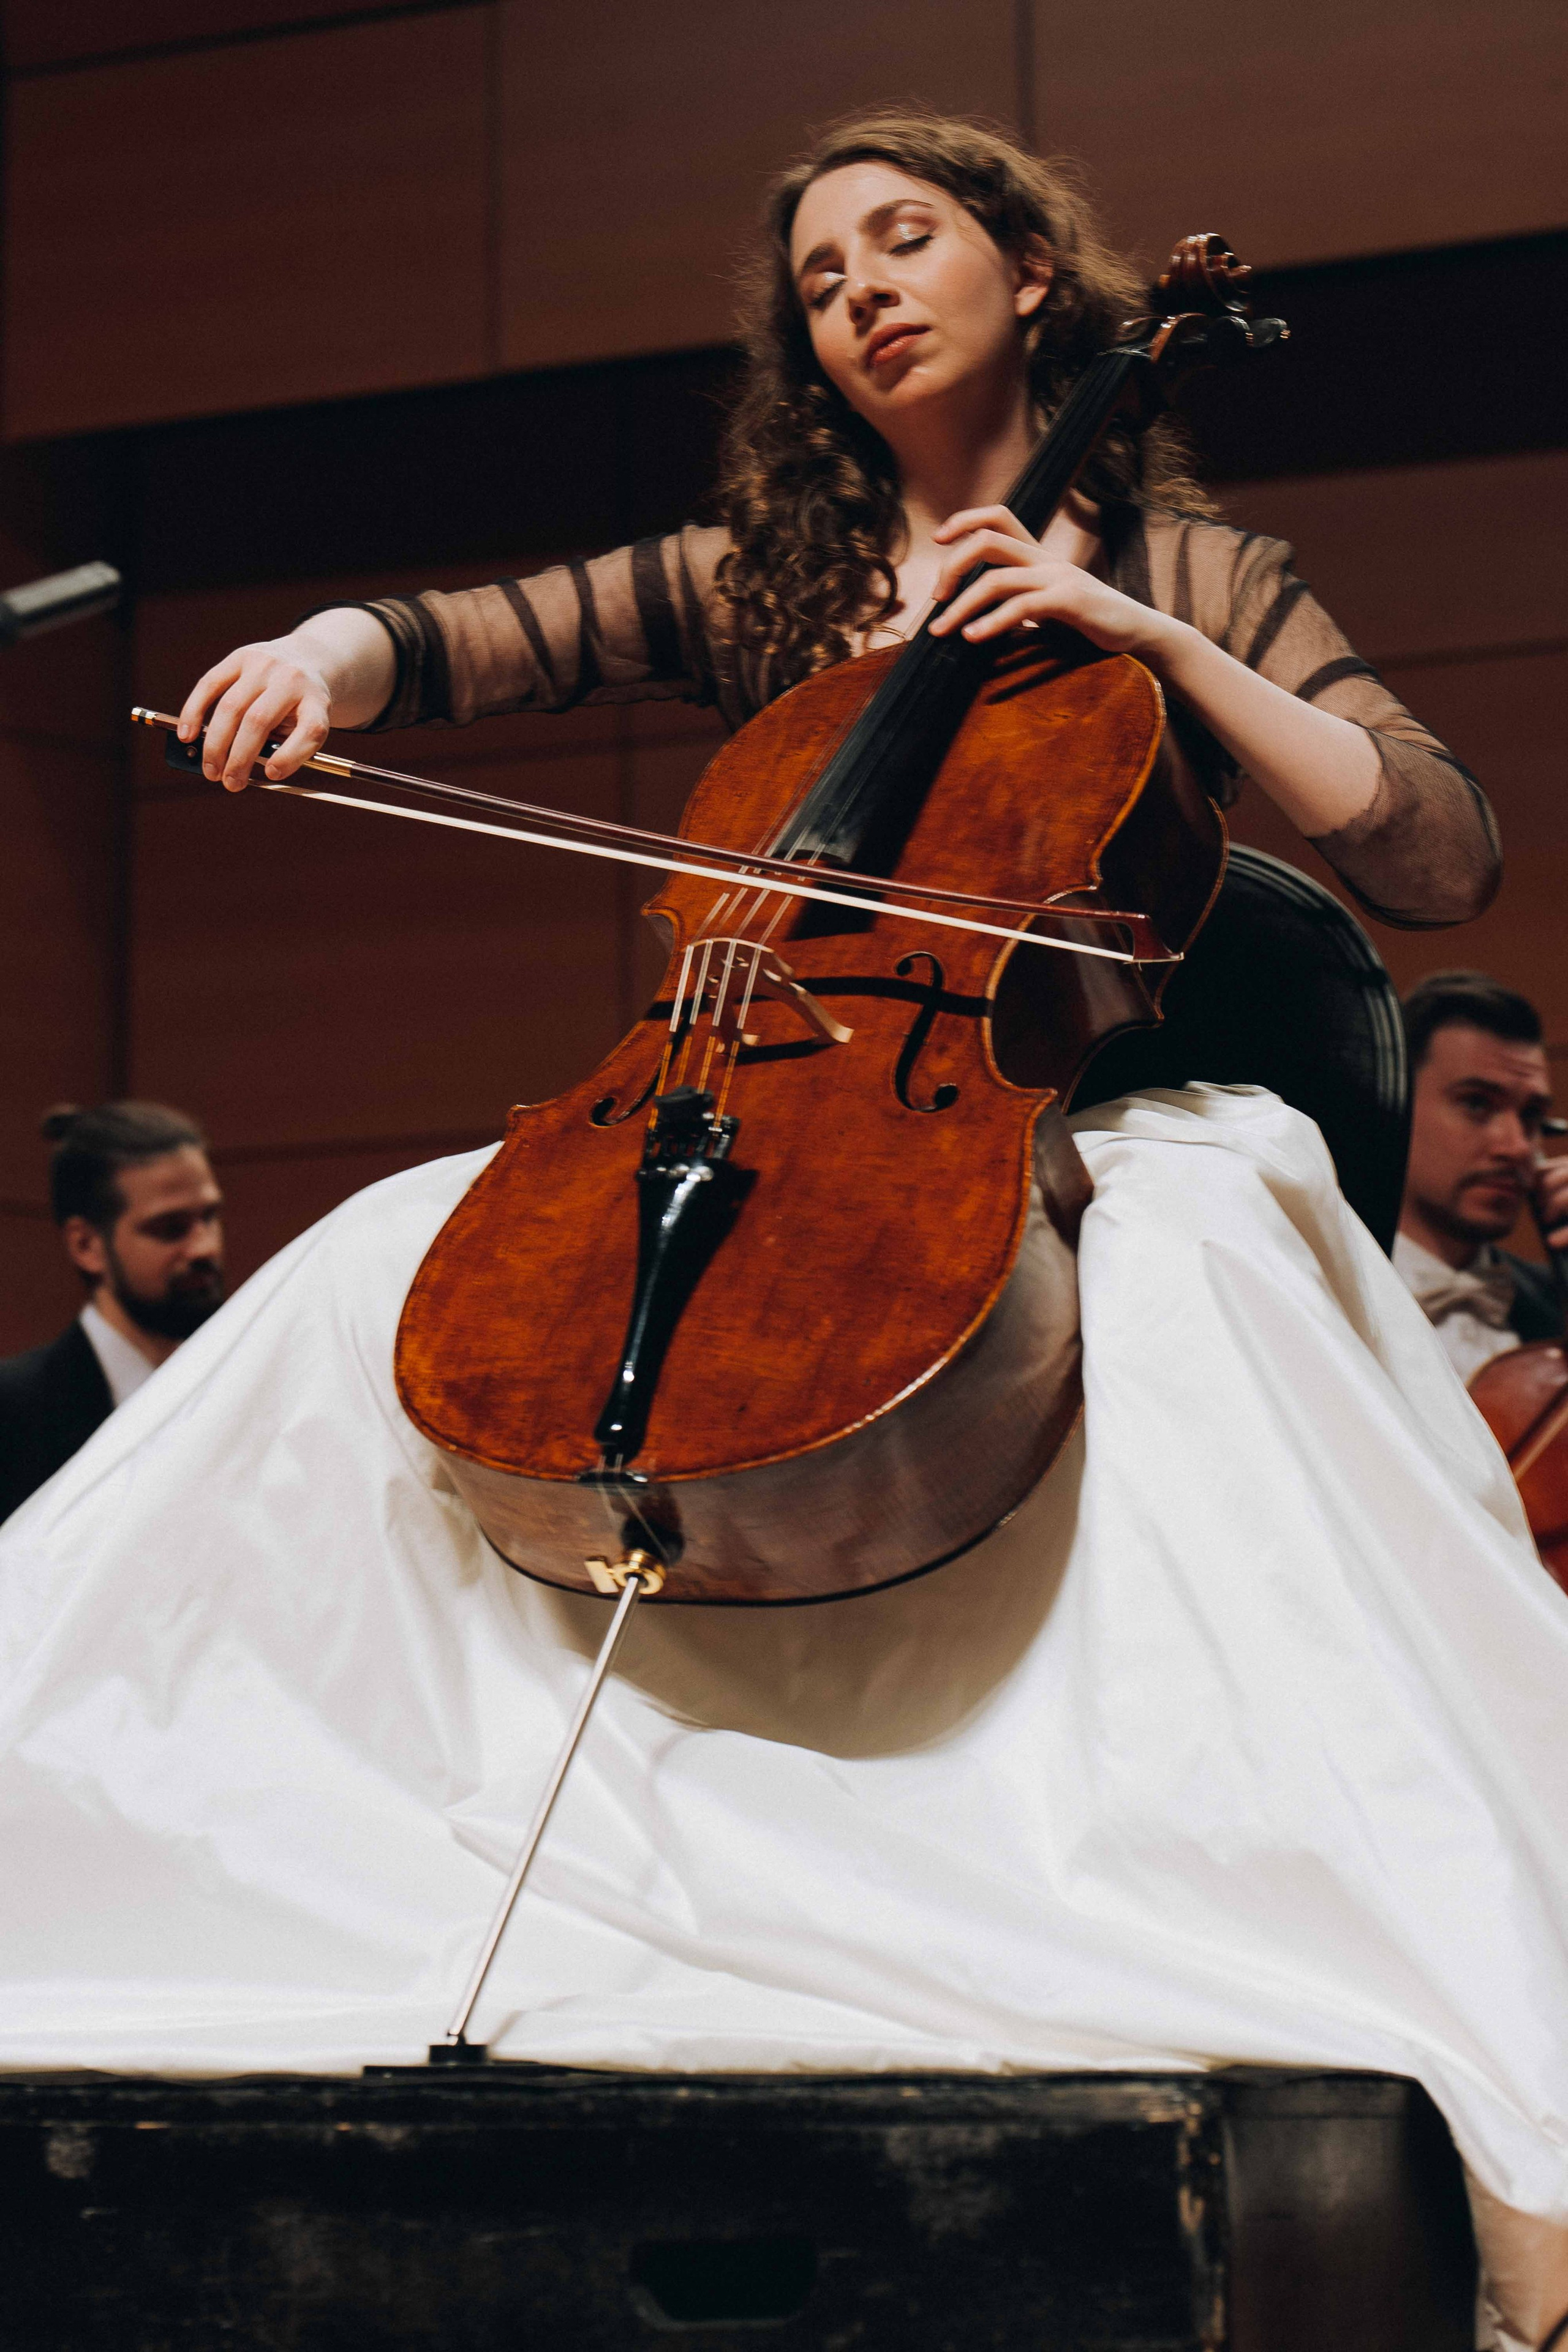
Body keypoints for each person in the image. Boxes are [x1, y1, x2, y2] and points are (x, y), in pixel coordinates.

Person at [2, 112, 1565, 2350]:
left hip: (1081, 1103)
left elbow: (1425, 846)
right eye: (821, 274)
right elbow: (476, 635)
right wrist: (324, 660)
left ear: (1031, 274)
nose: (860, 292)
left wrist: (1128, 627)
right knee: (363, 1270)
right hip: (773, 1090)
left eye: (904, 240)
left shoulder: (1191, 564)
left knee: (1206, 1273)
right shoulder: (764, 566)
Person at [0, 1101, 225, 1522]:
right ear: (86, 1246)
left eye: (210, 1218)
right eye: (170, 1228)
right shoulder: (13, 1413)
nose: (205, 1248)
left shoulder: (244, 1383)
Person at [1395, 972, 1567, 1382]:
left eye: (1530, 1115)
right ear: (1395, 1105)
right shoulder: (1315, 1287)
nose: (1518, 1147)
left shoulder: (1557, 1303)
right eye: (1477, 1104)